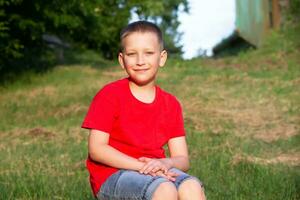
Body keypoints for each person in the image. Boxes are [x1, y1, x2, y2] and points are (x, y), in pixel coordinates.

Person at [82, 20, 206, 200]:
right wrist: (143, 168)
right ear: (121, 60)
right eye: (132, 54)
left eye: (148, 53)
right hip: (113, 176)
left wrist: (165, 163)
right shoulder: (109, 95)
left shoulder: (170, 103)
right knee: (164, 190)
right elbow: (97, 149)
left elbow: (182, 159)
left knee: (191, 187)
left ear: (161, 58)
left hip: (157, 172)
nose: (140, 61)